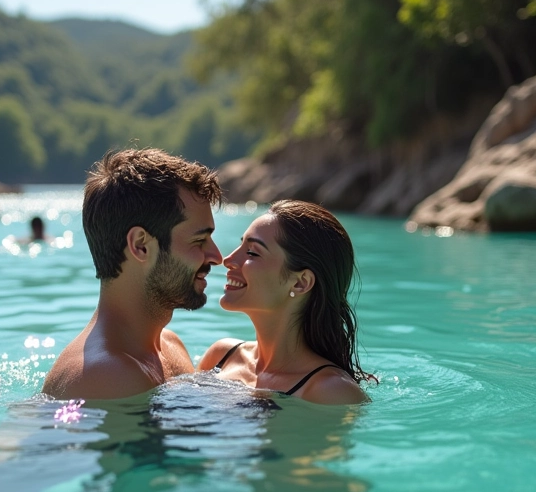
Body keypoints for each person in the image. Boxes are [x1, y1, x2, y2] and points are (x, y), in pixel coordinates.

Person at [43, 148, 223, 400]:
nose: (217, 256)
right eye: (199, 240)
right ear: (141, 245)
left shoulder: (170, 347)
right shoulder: (107, 375)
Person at [198, 200, 374, 405]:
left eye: (252, 252)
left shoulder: (330, 390)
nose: (228, 260)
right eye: (240, 245)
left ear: (301, 282)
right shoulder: (222, 356)